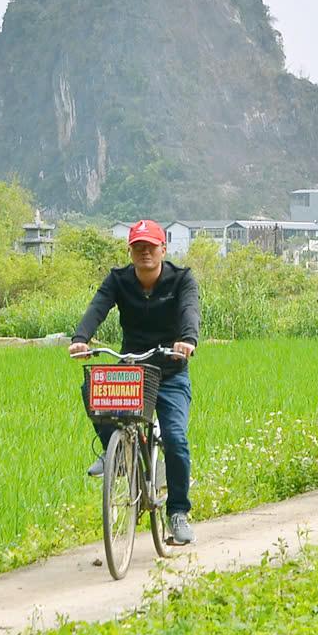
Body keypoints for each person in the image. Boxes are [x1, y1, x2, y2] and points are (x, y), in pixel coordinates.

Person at [68, 219, 200, 545]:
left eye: (150, 247)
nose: (145, 253)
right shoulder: (119, 280)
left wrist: (187, 340)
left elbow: (189, 310)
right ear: (130, 251)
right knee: (95, 391)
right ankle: (117, 455)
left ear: (163, 249)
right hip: (133, 370)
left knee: (175, 439)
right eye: (138, 247)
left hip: (170, 371)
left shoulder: (181, 279)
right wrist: (81, 338)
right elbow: (98, 307)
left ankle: (178, 513)